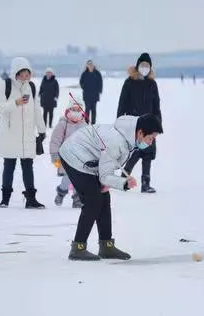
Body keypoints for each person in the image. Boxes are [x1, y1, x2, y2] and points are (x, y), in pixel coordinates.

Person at [59, 113, 163, 261]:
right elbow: (104, 176)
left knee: (103, 197)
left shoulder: (128, 138)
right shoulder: (117, 141)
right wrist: (123, 183)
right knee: (93, 200)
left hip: (90, 158)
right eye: (150, 138)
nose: (151, 143)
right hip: (74, 156)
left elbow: (107, 169)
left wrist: (107, 182)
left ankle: (106, 246)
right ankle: (78, 247)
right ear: (140, 132)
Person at [0, 57, 47, 209]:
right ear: (15, 73)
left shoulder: (31, 87)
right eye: (22, 73)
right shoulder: (6, 85)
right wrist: (15, 103)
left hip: (27, 134)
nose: (25, 76)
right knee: (9, 166)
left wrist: (42, 130)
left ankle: (31, 199)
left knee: (28, 166)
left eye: (27, 73)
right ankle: (5, 199)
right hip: (10, 133)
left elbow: (37, 110)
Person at [116, 52, 163, 193]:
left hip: (149, 122)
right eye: (142, 65)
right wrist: (119, 121)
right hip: (133, 123)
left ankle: (145, 183)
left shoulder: (152, 84)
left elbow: (156, 105)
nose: (144, 68)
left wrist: (158, 125)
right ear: (138, 66)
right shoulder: (130, 82)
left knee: (148, 153)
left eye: (147, 65)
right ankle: (125, 175)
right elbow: (122, 103)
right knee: (135, 151)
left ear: (150, 67)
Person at [49, 97, 88, 208]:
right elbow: (55, 141)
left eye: (78, 110)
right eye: (73, 110)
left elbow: (89, 143)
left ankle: (77, 200)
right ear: (68, 111)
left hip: (80, 159)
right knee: (68, 178)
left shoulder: (85, 126)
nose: (76, 112)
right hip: (65, 158)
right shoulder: (63, 125)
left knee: (79, 180)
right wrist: (55, 156)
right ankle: (61, 192)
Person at [79, 60, 103, 124]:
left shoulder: (97, 73)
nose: (90, 66)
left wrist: (99, 91)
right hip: (87, 95)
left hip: (95, 95)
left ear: (93, 65)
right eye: (89, 64)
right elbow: (81, 82)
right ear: (87, 65)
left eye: (91, 64)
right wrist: (84, 87)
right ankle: (86, 122)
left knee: (94, 110)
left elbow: (100, 83)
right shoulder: (84, 73)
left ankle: (93, 123)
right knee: (87, 109)